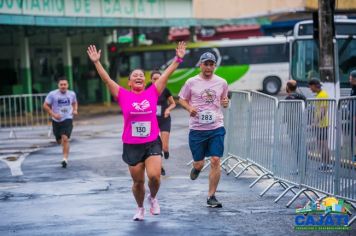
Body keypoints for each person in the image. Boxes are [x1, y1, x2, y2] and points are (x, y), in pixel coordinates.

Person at [87, 42, 186, 221]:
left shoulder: (153, 92)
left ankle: (153, 198)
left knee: (155, 177)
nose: (139, 76)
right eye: (135, 75)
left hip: (151, 142)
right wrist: (96, 62)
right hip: (132, 144)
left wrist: (178, 59)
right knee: (138, 182)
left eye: (141, 75)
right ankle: (140, 207)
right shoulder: (123, 94)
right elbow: (107, 80)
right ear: (130, 82)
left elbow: (166, 74)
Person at [178, 52, 229, 208]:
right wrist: (189, 108)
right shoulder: (191, 82)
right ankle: (197, 167)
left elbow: (224, 100)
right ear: (200, 65)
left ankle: (211, 196)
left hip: (216, 127)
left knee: (215, 159)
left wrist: (226, 103)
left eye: (211, 64)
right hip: (197, 129)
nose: (208, 67)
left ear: (215, 66)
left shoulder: (222, 82)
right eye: (205, 64)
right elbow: (181, 99)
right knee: (199, 163)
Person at [43, 77, 78, 168]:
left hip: (67, 118)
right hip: (56, 120)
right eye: (61, 84)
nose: (63, 86)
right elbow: (45, 105)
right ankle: (63, 144)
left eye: (65, 84)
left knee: (65, 138)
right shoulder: (52, 94)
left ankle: (65, 159)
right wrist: (53, 114)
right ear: (58, 85)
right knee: (59, 140)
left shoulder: (71, 94)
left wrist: (75, 110)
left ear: (68, 85)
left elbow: (74, 102)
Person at [146, 70, 176, 176]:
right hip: (152, 121)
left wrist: (168, 109)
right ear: (151, 79)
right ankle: (160, 166)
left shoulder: (165, 89)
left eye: (159, 78)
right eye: (154, 79)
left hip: (164, 119)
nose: (157, 81)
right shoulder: (147, 89)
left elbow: (173, 104)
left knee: (164, 147)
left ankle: (166, 151)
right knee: (155, 146)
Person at [308, 78, 331, 171]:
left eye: (310, 87)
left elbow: (323, 111)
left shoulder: (323, 95)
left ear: (314, 85)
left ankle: (327, 164)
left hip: (322, 125)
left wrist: (315, 122)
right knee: (320, 145)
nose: (310, 89)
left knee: (323, 145)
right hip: (319, 125)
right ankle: (324, 163)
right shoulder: (318, 95)